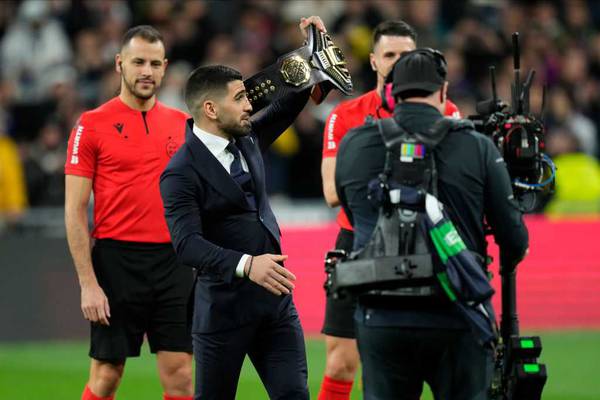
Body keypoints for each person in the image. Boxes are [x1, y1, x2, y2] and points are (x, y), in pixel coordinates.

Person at [335, 49, 529, 399]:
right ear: (443, 92)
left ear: (391, 93)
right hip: (456, 312)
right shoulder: (477, 146)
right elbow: (513, 238)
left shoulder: (353, 144)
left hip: (380, 315)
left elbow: (351, 210)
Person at [160, 17, 326, 400]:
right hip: (223, 311)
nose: (249, 104)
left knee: (294, 395)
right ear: (210, 109)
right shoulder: (180, 172)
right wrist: (248, 264)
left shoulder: (247, 137)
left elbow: (287, 103)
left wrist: (311, 49)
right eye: (239, 98)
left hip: (275, 304)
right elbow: (186, 245)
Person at [318, 20, 460, 399]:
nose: (397, 63)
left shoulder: (447, 111)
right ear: (373, 61)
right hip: (358, 240)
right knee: (341, 363)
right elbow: (331, 192)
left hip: (424, 243)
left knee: (417, 359)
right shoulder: (346, 115)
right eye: (390, 55)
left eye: (405, 55)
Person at [64, 26, 194, 400]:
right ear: (120, 63)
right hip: (116, 262)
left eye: (154, 63)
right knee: (107, 375)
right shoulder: (91, 124)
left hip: (174, 262)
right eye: (138, 62)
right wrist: (88, 283)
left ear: (165, 67)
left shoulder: (183, 124)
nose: (146, 71)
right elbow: (74, 210)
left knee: (181, 375)